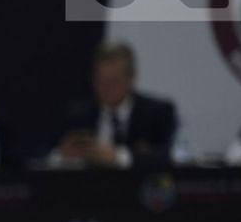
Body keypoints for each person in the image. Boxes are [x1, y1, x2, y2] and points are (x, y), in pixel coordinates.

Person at [51, 42, 180, 169]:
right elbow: (46, 156)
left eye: (113, 82)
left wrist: (117, 157)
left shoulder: (157, 113)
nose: (105, 89)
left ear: (131, 79)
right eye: (99, 81)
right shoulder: (78, 114)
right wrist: (62, 156)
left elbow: (164, 158)